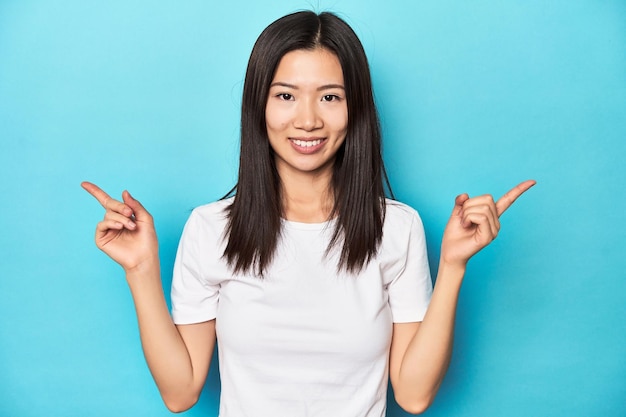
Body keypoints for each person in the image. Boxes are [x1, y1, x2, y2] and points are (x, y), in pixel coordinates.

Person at [82, 10, 535, 417]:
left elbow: (413, 396)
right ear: (258, 106)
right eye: (285, 96)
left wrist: (454, 265)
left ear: (354, 109)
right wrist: (141, 270)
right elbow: (180, 393)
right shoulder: (210, 229)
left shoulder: (397, 228)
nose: (307, 120)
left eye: (330, 97)